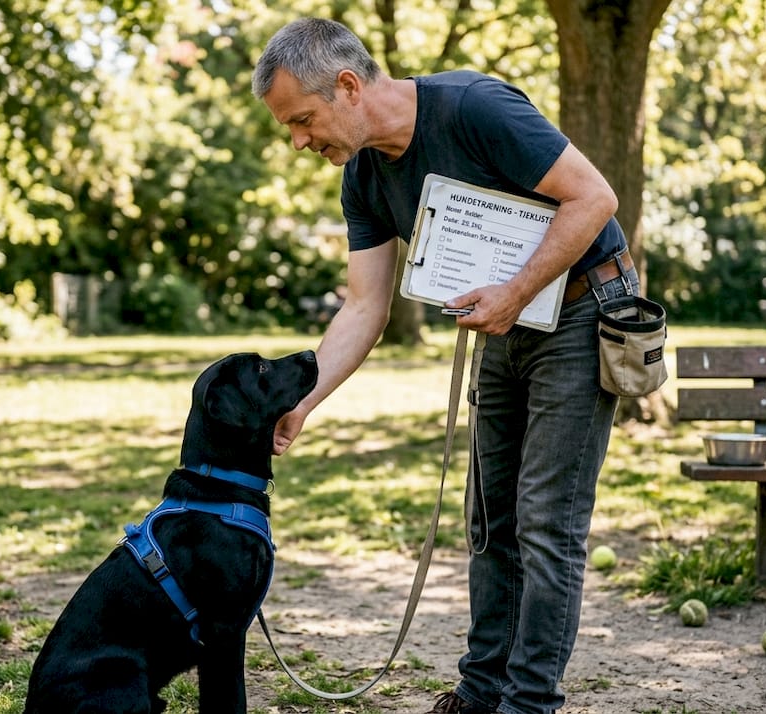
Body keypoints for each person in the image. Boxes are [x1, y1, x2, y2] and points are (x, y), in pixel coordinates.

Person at [253, 18, 637, 714]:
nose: (299, 141)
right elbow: (364, 307)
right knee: (489, 521)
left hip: (581, 310)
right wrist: (303, 400)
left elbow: (595, 198)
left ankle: (529, 704)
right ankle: (482, 691)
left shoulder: (475, 108)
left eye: (304, 120)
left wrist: (515, 291)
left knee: (547, 522)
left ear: (347, 86)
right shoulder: (364, 175)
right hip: (506, 323)